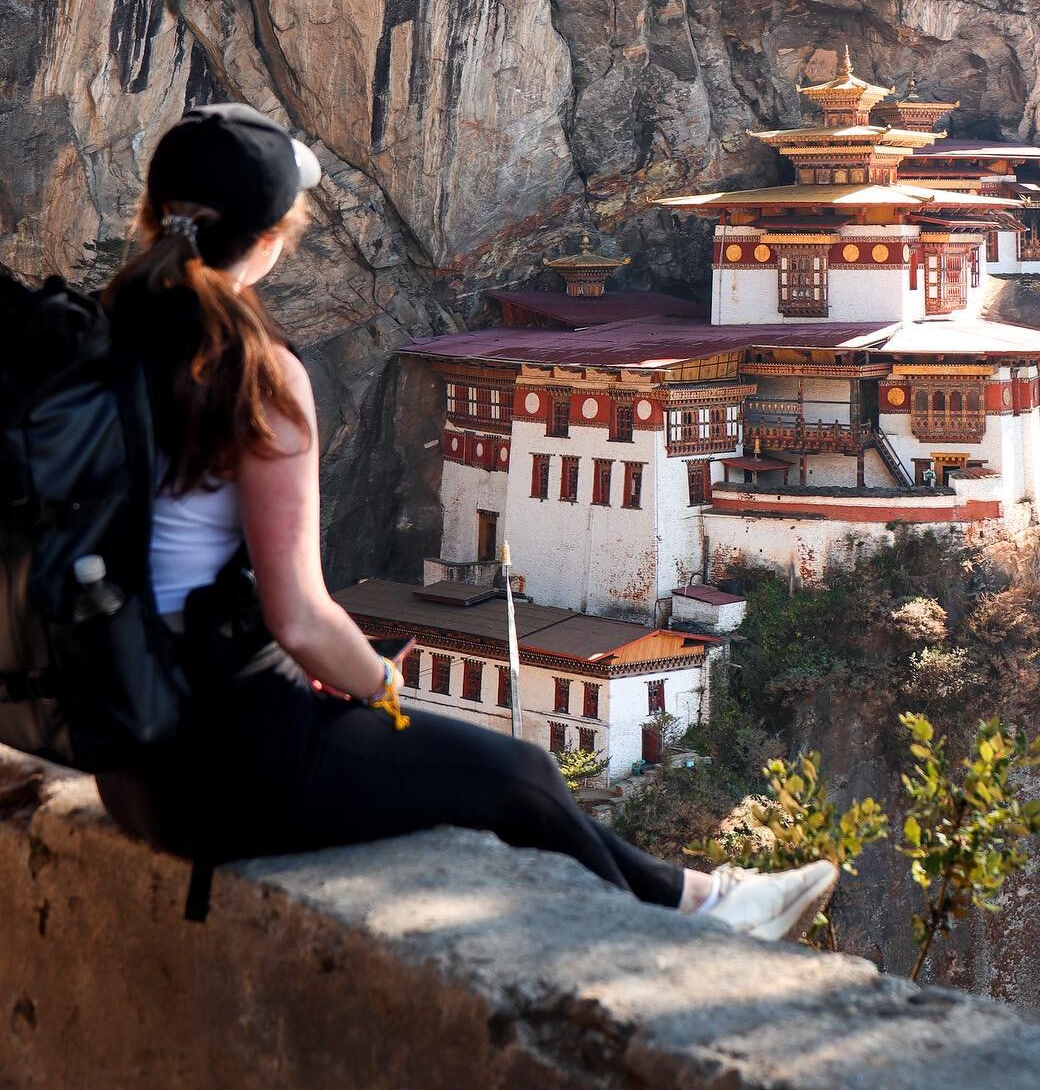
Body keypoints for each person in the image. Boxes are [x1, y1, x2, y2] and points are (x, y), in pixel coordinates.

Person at [96, 104, 835, 941]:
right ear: (271, 238)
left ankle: (703, 901)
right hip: (223, 762)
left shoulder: (89, 342)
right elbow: (297, 615)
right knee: (518, 771)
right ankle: (702, 916)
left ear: (154, 213)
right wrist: (381, 687)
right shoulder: (249, 374)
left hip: (124, 757)